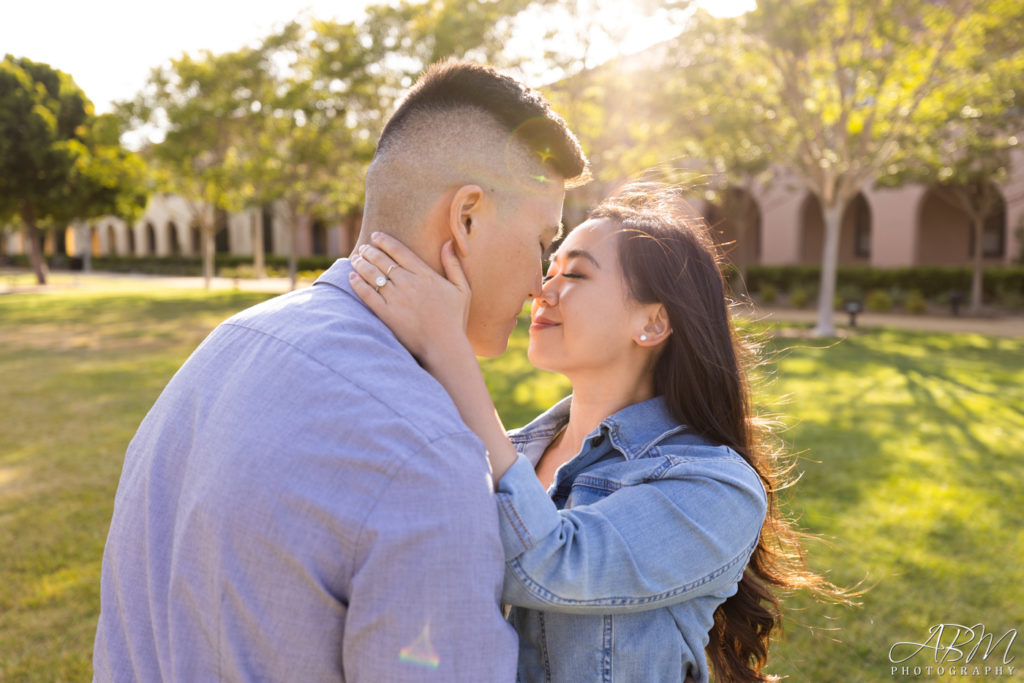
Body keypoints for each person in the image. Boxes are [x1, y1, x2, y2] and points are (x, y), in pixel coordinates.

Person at [93, 59, 588, 682]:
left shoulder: (227, 345)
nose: (542, 281)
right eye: (544, 242)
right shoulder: (427, 458)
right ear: (467, 219)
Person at [350, 184, 848, 682]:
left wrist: (447, 345)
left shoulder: (716, 488)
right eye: (550, 269)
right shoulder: (514, 451)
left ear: (653, 322)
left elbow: (550, 563)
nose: (541, 291)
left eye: (576, 274)